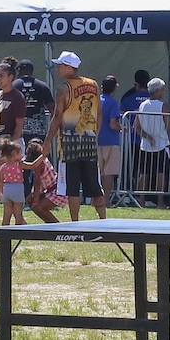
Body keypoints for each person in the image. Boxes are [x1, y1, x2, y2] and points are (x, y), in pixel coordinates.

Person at [48, 50, 107, 220]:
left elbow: (57, 117)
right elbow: (99, 113)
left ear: (69, 67)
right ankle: (103, 220)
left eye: (60, 66)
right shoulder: (93, 85)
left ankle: (75, 221)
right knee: (95, 187)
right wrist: (95, 135)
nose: (58, 69)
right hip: (89, 142)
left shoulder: (63, 89)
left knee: (72, 188)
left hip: (69, 144)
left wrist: (47, 141)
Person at [0, 61, 27, 201]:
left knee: (11, 176)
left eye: (2, 76)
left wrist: (13, 146)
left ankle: (16, 204)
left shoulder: (17, 96)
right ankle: (3, 202)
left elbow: (19, 124)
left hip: (11, 142)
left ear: (11, 77)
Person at [134, 78, 170, 200]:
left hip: (145, 144)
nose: (163, 92)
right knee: (161, 172)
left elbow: (137, 127)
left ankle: (142, 201)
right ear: (157, 90)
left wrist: (148, 137)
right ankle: (160, 201)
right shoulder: (163, 106)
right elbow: (168, 126)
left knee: (143, 173)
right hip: (161, 143)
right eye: (162, 90)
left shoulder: (142, 105)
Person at [21, 137, 64, 223]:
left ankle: (56, 225)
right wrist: (32, 195)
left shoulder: (39, 165)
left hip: (57, 191)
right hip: (52, 190)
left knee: (39, 207)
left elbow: (37, 183)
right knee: (33, 204)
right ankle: (50, 224)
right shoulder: (43, 160)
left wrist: (36, 200)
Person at [97, 76, 124, 203]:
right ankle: (106, 200)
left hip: (97, 140)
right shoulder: (113, 103)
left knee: (99, 173)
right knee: (109, 173)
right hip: (111, 141)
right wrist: (122, 128)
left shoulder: (96, 101)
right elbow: (113, 124)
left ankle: (96, 199)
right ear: (114, 89)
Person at [16, 60, 55, 143]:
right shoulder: (43, 86)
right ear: (32, 71)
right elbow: (52, 109)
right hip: (39, 132)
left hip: (19, 133)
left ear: (19, 71)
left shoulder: (14, 86)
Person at [0, 137, 28, 226]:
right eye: (20, 153)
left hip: (7, 189)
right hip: (17, 188)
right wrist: (42, 157)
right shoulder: (19, 164)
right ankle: (19, 230)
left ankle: (4, 231)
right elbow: (32, 165)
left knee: (6, 214)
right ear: (15, 154)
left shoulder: (3, 167)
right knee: (18, 214)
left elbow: (0, 181)